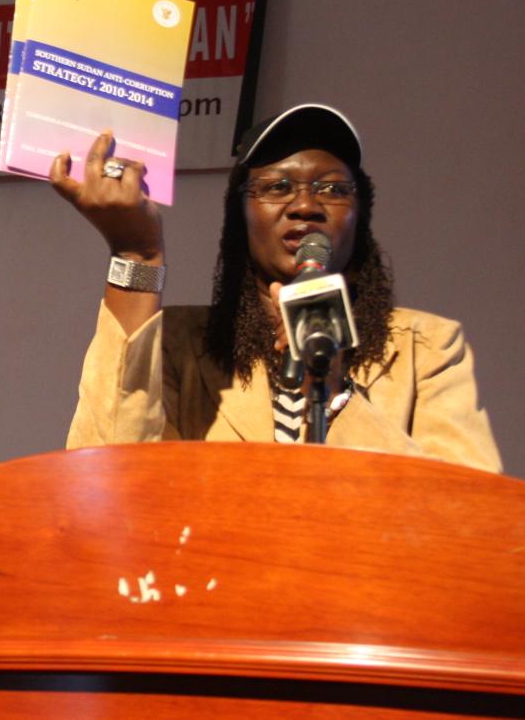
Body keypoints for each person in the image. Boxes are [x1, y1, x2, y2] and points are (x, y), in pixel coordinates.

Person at [49, 104, 500, 471]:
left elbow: (472, 516)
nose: (305, 205)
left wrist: (336, 393)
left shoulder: (428, 348)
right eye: (278, 187)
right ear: (240, 215)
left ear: (360, 216)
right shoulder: (179, 345)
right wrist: (136, 254)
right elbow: (104, 473)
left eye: (333, 189)